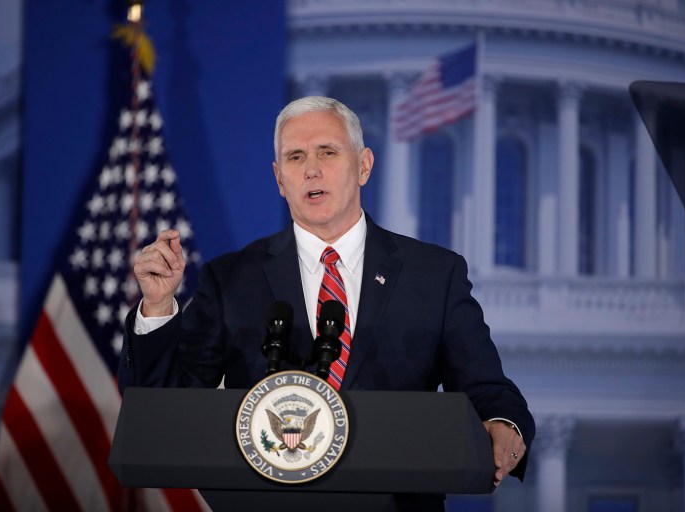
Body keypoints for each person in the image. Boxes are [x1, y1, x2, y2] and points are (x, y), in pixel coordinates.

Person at [119, 96, 534, 507]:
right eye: (295, 157)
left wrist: (504, 424)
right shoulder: (230, 278)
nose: (311, 169)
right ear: (280, 179)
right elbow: (168, 412)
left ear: (364, 166)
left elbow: (486, 386)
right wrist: (157, 307)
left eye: (327, 152)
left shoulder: (434, 275)